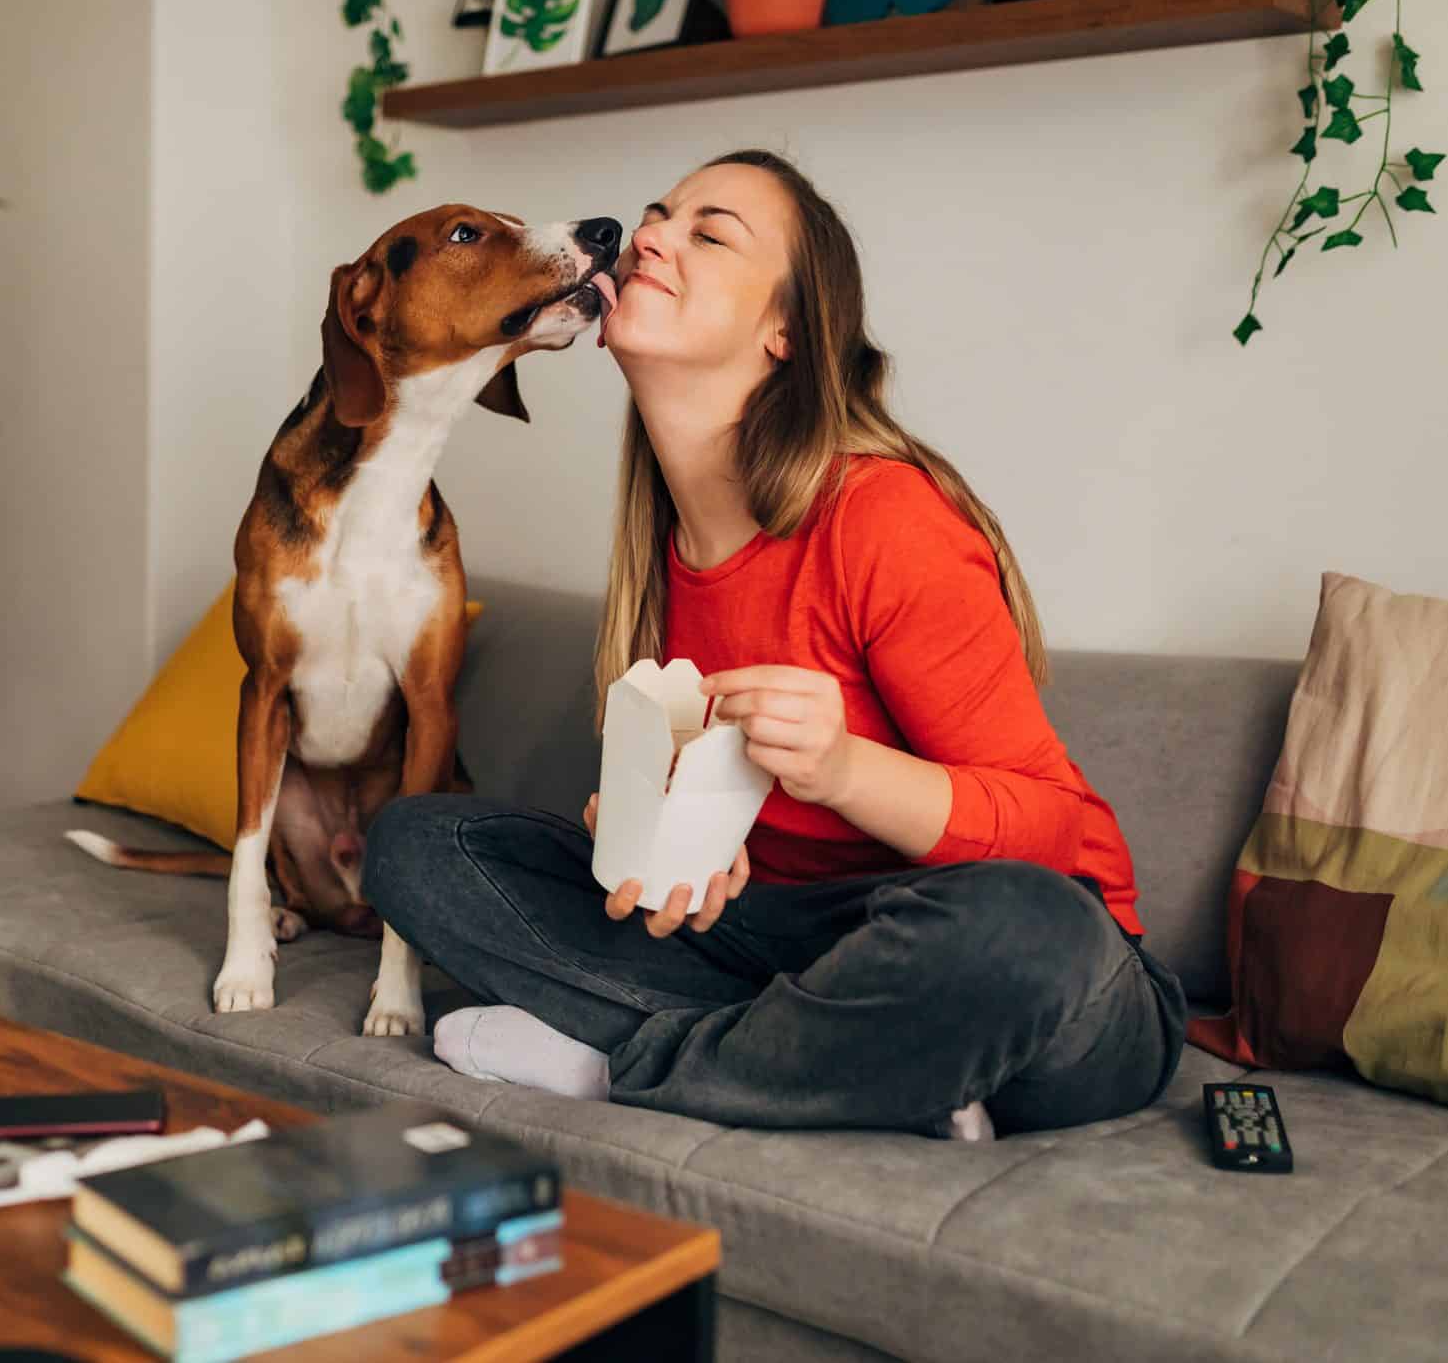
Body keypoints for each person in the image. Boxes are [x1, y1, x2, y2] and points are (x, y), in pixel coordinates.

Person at [361, 149, 1186, 1140]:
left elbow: (1053, 831)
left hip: (1046, 973)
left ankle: (629, 1065)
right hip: (785, 949)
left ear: (786, 331)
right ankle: (855, 1074)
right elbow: (720, 859)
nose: (651, 235)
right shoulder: (656, 556)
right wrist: (668, 852)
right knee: (417, 843)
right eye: (658, 215)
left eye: (709, 233)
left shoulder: (885, 519)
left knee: (1025, 933)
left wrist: (842, 768)